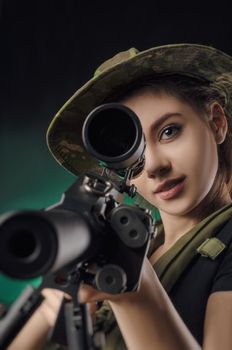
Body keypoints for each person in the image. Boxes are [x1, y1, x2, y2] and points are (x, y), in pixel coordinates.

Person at [7, 43, 232, 350]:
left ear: (216, 122)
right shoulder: (136, 246)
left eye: (169, 131)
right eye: (128, 152)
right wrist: (52, 312)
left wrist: (135, 294)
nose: (154, 166)